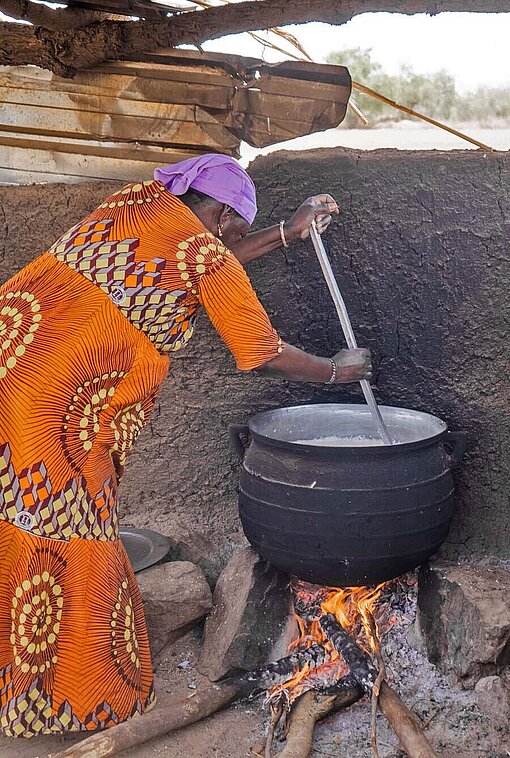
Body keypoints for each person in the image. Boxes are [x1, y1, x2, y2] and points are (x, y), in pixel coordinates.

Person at [0, 154, 372, 738]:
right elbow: (261, 350)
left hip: (10, 357)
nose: (236, 241)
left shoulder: (135, 205)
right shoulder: (205, 256)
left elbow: (201, 262)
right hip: (57, 411)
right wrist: (334, 373)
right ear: (222, 214)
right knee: (75, 538)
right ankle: (75, 698)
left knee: (15, 521)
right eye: (239, 229)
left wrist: (284, 233)